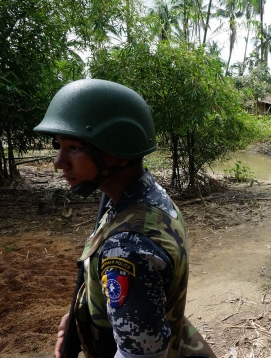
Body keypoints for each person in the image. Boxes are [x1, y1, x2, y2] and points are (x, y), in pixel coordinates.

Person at [34, 79, 216, 358]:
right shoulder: (146, 196)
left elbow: (140, 354)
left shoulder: (129, 246)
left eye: (73, 148)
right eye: (58, 146)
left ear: (117, 153)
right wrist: (83, 312)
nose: (59, 162)